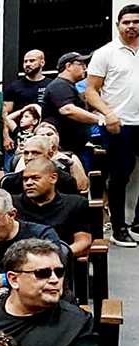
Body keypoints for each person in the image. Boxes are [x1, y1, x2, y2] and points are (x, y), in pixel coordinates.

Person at [85, 4, 139, 247]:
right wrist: (108, 114)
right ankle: (119, 229)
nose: (131, 26)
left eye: (136, 22)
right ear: (118, 24)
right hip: (119, 124)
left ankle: (138, 223)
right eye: (126, 22)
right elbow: (91, 92)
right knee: (119, 176)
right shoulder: (105, 53)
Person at [13, 158, 92, 259]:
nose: (28, 183)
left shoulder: (76, 204)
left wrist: (55, 256)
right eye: (25, 179)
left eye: (35, 178)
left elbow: (83, 241)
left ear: (53, 178)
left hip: (60, 262)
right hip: (20, 262)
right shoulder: (13, 204)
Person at [41, 52, 99, 159]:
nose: (85, 68)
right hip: (63, 150)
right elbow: (68, 110)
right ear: (68, 66)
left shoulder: (68, 87)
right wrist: (101, 120)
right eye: (81, 64)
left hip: (75, 147)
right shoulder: (59, 85)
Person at [2, 50, 52, 155]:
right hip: (18, 136)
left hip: (43, 135)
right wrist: (6, 136)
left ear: (42, 63)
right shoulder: (14, 87)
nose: (27, 64)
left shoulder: (51, 85)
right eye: (25, 61)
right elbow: (6, 113)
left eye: (32, 61)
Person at [1, 136, 83, 199]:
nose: (29, 158)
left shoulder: (66, 180)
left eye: (35, 153)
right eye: (26, 153)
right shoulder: (10, 182)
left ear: (50, 155)